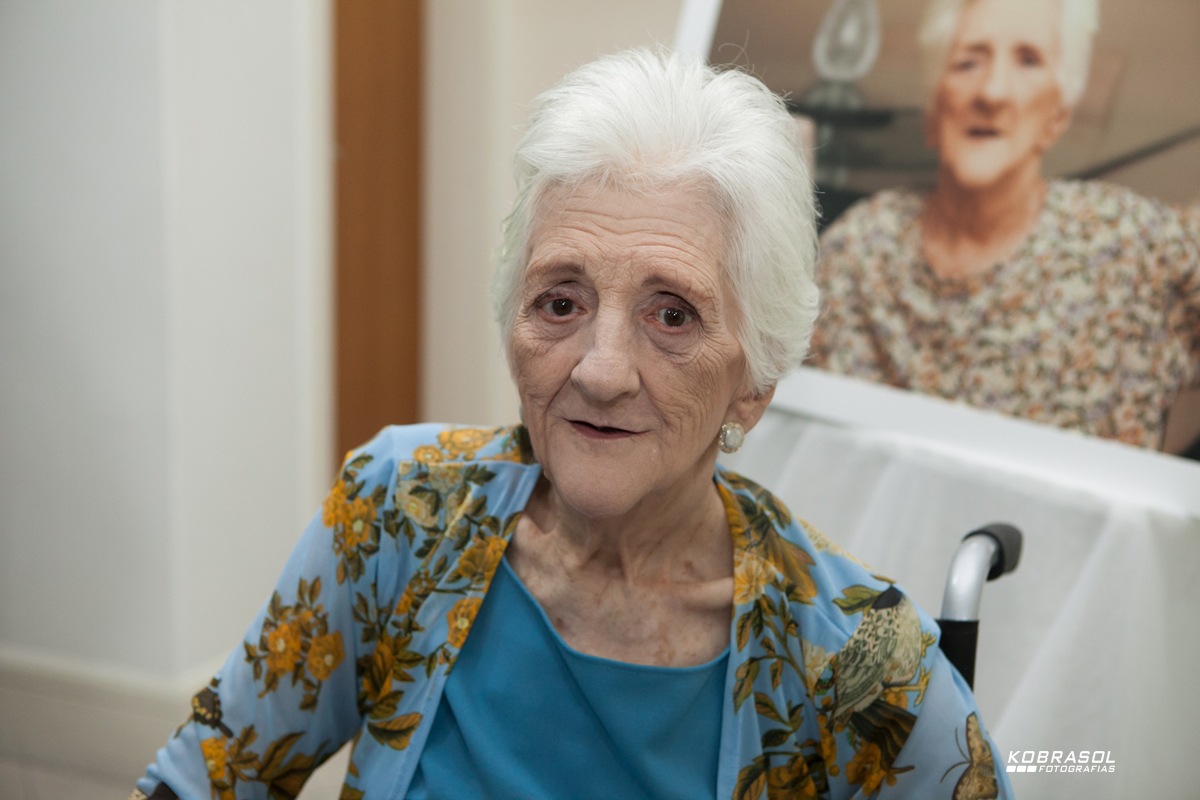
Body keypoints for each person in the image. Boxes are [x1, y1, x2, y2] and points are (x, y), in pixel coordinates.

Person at [134, 50, 1011, 800]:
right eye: (561, 301)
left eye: (673, 315)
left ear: (755, 382)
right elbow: (206, 779)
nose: (599, 371)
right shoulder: (401, 512)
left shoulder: (861, 660)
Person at [809, 0, 1200, 450]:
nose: (992, 92)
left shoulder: (1135, 247)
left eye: (1029, 61)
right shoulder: (858, 251)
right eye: (968, 62)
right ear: (933, 110)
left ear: (1058, 116)